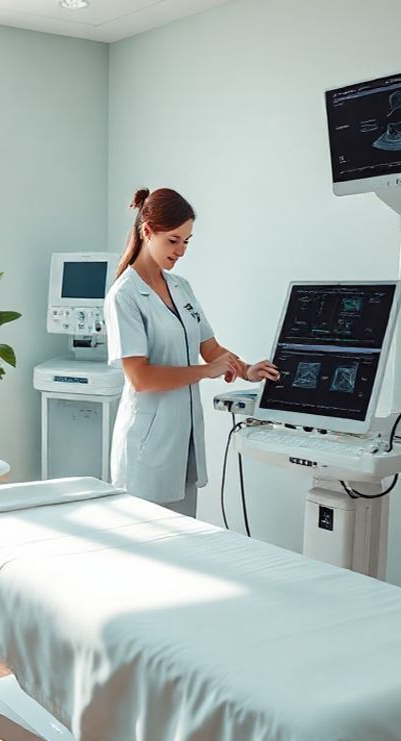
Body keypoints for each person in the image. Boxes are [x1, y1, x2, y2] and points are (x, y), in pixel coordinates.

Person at [104, 187, 279, 516]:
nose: (181, 250)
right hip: (147, 448)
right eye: (173, 240)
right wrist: (205, 371)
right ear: (147, 232)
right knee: (147, 553)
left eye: (187, 241)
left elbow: (210, 347)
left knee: (184, 545)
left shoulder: (181, 288)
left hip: (182, 441)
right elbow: (140, 378)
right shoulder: (124, 295)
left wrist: (246, 369)